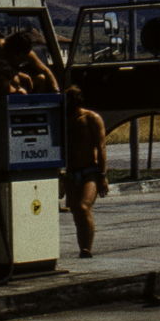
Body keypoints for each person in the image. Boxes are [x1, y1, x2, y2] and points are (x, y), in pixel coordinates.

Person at [64, 86, 108, 258]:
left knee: (83, 207)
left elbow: (101, 147)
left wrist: (102, 175)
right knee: (76, 211)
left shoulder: (91, 118)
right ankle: (83, 247)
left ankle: (86, 249)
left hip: (90, 170)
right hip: (71, 171)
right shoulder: (64, 119)